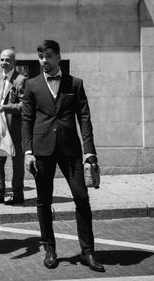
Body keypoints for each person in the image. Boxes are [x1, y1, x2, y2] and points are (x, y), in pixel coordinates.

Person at [22, 40, 103, 272]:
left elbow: (84, 118)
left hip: (71, 151)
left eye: (48, 56)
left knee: (81, 198)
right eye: (40, 56)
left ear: (58, 57)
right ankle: (49, 249)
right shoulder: (31, 85)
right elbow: (26, 121)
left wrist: (89, 152)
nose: (44, 61)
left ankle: (88, 252)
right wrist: (28, 152)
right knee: (43, 201)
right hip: (41, 151)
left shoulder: (75, 84)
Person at [0, 48, 27, 206]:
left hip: (15, 128)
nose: (4, 63)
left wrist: (5, 108)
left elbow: (25, 106)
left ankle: (18, 194)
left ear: (14, 62)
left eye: (7, 60)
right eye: (2, 60)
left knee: (17, 162)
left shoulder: (21, 80)